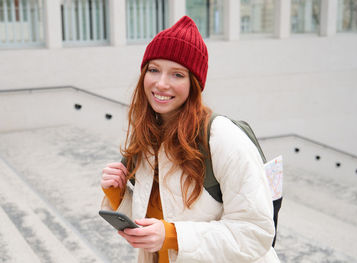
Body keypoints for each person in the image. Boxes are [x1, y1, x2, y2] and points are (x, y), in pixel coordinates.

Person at [100, 16, 280, 263]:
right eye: (153, 70)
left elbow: (255, 233)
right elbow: (152, 224)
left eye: (177, 74)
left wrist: (172, 235)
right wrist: (118, 195)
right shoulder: (147, 137)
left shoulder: (222, 138)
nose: (161, 84)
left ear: (194, 83)